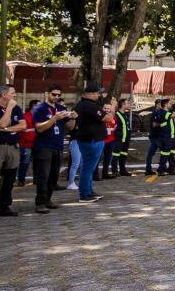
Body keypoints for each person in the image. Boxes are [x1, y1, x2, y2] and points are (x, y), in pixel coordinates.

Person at [31, 85, 76, 214]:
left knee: (53, 176)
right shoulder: (40, 109)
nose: (56, 97)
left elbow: (70, 127)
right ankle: (40, 202)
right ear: (47, 93)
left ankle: (48, 199)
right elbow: (39, 128)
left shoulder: (61, 108)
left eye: (58, 95)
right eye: (53, 94)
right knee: (43, 176)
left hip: (57, 146)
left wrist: (73, 117)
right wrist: (54, 118)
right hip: (43, 146)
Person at [75, 82, 114, 203]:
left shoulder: (83, 105)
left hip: (90, 139)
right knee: (87, 168)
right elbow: (107, 118)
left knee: (89, 167)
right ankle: (84, 194)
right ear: (90, 93)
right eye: (97, 93)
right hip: (91, 140)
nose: (99, 95)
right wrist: (112, 109)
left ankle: (88, 190)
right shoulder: (89, 106)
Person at [0, 85, 26, 217]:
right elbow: (1, 123)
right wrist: (9, 108)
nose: (15, 95)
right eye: (13, 93)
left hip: (13, 146)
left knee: (10, 178)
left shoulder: (17, 108)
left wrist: (6, 130)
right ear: (4, 95)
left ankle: (4, 206)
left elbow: (23, 126)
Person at [16, 99, 39, 187]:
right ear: (33, 106)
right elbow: (22, 129)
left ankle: (36, 180)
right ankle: (21, 180)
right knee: (25, 163)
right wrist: (33, 130)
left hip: (37, 144)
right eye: (38, 105)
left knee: (37, 163)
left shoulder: (39, 116)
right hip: (26, 144)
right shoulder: (25, 116)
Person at [156, 99, 175, 176]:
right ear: (166, 105)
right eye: (169, 103)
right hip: (166, 137)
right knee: (165, 154)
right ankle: (161, 170)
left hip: (171, 136)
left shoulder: (168, 112)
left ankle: (171, 169)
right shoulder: (163, 113)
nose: (171, 105)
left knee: (171, 153)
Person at [110, 98, 132, 177]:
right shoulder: (117, 114)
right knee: (116, 155)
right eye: (127, 103)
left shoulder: (126, 114)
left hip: (126, 139)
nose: (129, 105)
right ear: (123, 105)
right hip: (118, 139)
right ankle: (114, 171)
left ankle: (123, 170)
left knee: (123, 154)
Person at [97, 110, 116, 180]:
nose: (107, 110)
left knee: (108, 158)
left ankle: (105, 173)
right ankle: (95, 174)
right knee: (98, 158)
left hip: (111, 140)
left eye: (108, 108)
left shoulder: (114, 117)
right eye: (105, 108)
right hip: (102, 140)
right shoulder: (100, 116)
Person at [145, 98, 162, 176]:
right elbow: (154, 125)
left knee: (152, 153)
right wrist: (163, 125)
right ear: (157, 104)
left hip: (157, 136)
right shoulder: (155, 113)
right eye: (160, 104)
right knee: (164, 152)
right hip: (155, 136)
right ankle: (150, 169)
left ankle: (149, 169)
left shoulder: (160, 112)